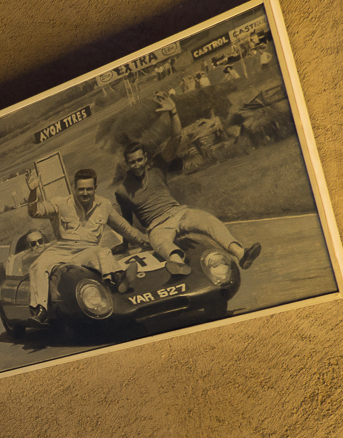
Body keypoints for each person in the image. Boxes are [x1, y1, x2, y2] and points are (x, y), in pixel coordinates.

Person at [114, 93, 261, 276]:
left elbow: (176, 137)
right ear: (127, 164)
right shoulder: (122, 191)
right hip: (156, 226)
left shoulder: (157, 166)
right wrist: (125, 245)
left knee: (208, 220)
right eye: (132, 162)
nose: (137, 165)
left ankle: (241, 254)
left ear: (145, 158)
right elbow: (126, 222)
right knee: (160, 243)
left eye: (139, 160)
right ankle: (178, 265)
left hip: (179, 213)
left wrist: (173, 112)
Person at [24, 166, 150, 312]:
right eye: (81, 189)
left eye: (89, 189)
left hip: (88, 249)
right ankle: (40, 309)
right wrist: (33, 191)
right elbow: (35, 212)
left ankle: (120, 279)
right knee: (37, 265)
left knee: (102, 252)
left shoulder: (105, 205)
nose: (85, 193)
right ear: (74, 188)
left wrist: (146, 242)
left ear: (95, 188)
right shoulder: (60, 203)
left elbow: (124, 228)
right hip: (62, 249)